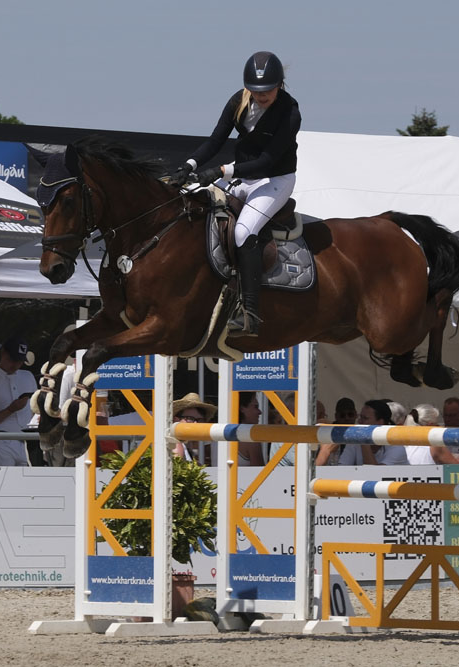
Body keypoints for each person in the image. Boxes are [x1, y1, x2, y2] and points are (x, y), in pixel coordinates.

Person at [170, 51, 302, 338]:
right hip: (242, 175)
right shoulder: (238, 101)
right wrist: (188, 165)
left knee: (243, 232)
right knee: (197, 209)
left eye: (267, 90)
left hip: (275, 179)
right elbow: (216, 140)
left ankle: (250, 313)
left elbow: (266, 161)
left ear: (279, 85)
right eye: (255, 90)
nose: (261, 95)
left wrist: (222, 171)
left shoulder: (290, 113)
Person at [0, 336, 39, 467]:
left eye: (19, 361)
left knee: (27, 479)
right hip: (0, 441)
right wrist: (10, 410)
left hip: (26, 441)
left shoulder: (28, 376)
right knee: (3, 478)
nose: (15, 365)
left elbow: (35, 409)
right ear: (3, 353)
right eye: (12, 359)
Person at [170, 392, 217, 462]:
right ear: (176, 420)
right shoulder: (176, 445)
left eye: (200, 420)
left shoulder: (185, 444)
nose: (195, 423)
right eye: (189, 418)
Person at [316, 396, 357, 465]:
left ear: (356, 415)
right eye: (342, 415)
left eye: (350, 414)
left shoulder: (359, 432)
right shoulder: (328, 431)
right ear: (336, 416)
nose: (347, 418)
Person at [236, 392, 265, 465]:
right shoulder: (250, 438)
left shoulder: (217, 434)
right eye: (256, 407)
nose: (260, 412)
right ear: (242, 408)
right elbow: (260, 471)